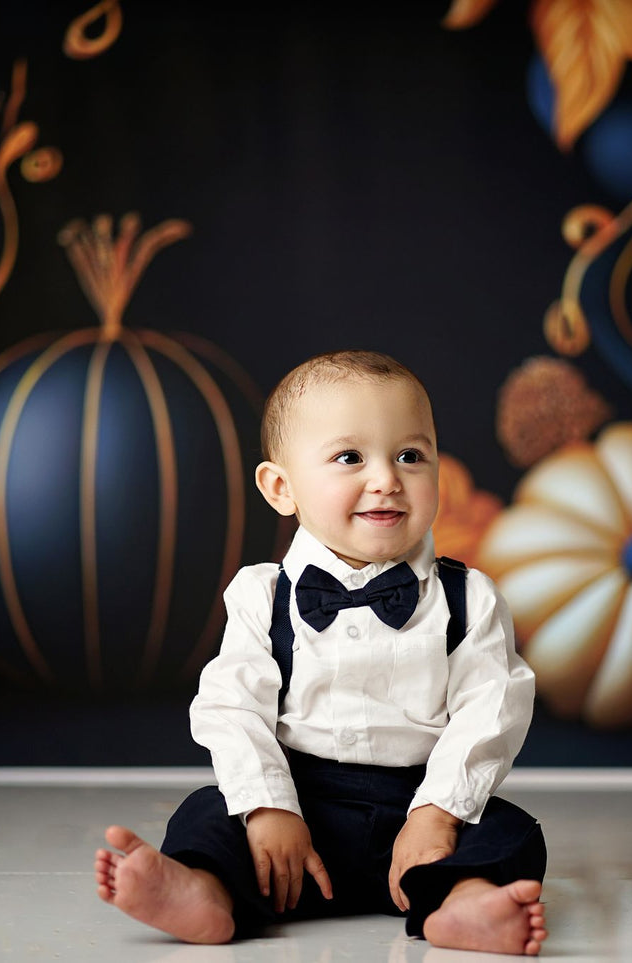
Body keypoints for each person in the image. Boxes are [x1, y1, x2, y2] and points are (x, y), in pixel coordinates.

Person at [94, 350, 547, 955]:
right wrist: (268, 809)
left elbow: (492, 707)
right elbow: (232, 708)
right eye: (350, 457)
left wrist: (438, 814)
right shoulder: (262, 596)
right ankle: (203, 890)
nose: (386, 478)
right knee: (209, 811)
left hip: (419, 814)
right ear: (281, 488)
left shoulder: (468, 599)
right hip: (300, 820)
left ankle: (461, 905)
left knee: (510, 830)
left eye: (411, 456)